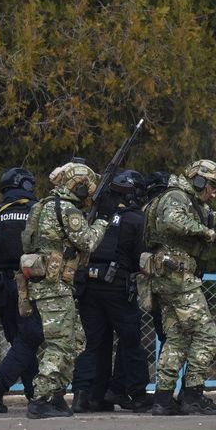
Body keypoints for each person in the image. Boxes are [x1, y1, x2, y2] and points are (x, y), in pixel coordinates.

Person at [142, 159, 216, 415]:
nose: (214, 193)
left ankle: (163, 399)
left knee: (178, 338)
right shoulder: (176, 196)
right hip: (177, 277)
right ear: (199, 180)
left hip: (171, 277)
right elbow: (173, 221)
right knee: (206, 335)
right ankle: (193, 396)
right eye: (212, 186)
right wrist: (205, 232)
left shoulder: (196, 203)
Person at [21, 160, 108, 419]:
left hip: (46, 285)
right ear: (80, 186)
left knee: (75, 340)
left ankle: (56, 395)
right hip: (55, 287)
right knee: (60, 344)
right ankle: (40, 399)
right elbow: (89, 242)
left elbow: (29, 241)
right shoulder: (67, 210)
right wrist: (102, 221)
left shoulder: (43, 205)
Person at [71, 169, 151, 413]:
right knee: (130, 342)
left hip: (89, 287)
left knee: (94, 343)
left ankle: (86, 395)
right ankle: (136, 394)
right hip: (118, 287)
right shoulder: (136, 220)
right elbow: (142, 258)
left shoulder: (95, 216)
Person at [0, 167, 41, 413]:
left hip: (2, 284)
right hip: (30, 282)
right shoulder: (37, 211)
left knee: (19, 340)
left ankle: (33, 393)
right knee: (31, 336)